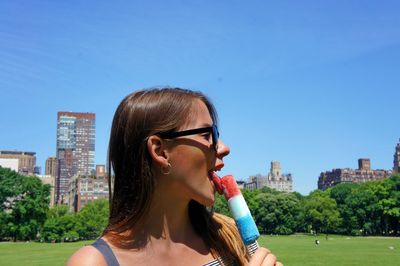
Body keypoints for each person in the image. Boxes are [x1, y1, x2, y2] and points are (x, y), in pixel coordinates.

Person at [68, 88, 282, 266]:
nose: (224, 148)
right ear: (160, 151)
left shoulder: (228, 236)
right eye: (208, 135)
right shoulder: (94, 262)